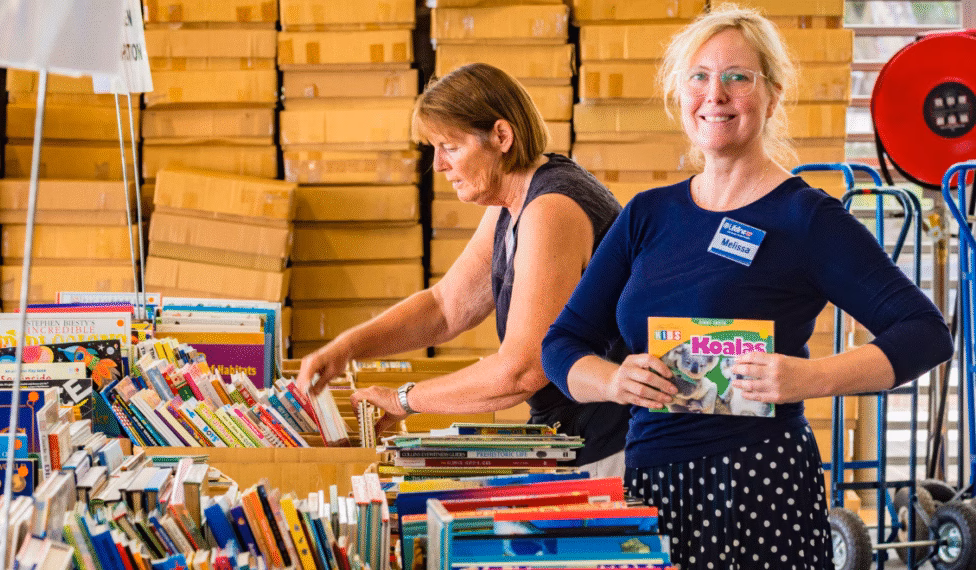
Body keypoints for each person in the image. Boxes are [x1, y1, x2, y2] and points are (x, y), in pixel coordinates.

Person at [540, 5, 952, 568]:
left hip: (762, 485)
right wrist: (613, 380)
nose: (717, 93)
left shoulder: (806, 218)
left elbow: (925, 334)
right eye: (700, 76)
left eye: (738, 77)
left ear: (772, 95)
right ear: (680, 94)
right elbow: (561, 344)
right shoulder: (646, 216)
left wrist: (811, 376)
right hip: (650, 484)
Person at [297, 63, 632, 474]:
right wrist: (346, 349)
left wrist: (405, 400)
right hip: (572, 432)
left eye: (450, 147)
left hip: (609, 441)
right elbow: (445, 307)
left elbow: (522, 371)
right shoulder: (513, 202)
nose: (438, 165)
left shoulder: (551, 209)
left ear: (501, 136)